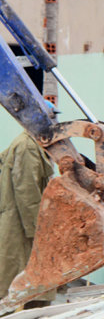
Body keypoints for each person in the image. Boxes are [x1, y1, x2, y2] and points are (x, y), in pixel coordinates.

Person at [0, 101, 58, 306]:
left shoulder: (33, 144)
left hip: (22, 225)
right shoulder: (27, 146)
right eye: (51, 117)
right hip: (21, 227)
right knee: (23, 289)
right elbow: (27, 191)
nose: (54, 122)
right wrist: (39, 232)